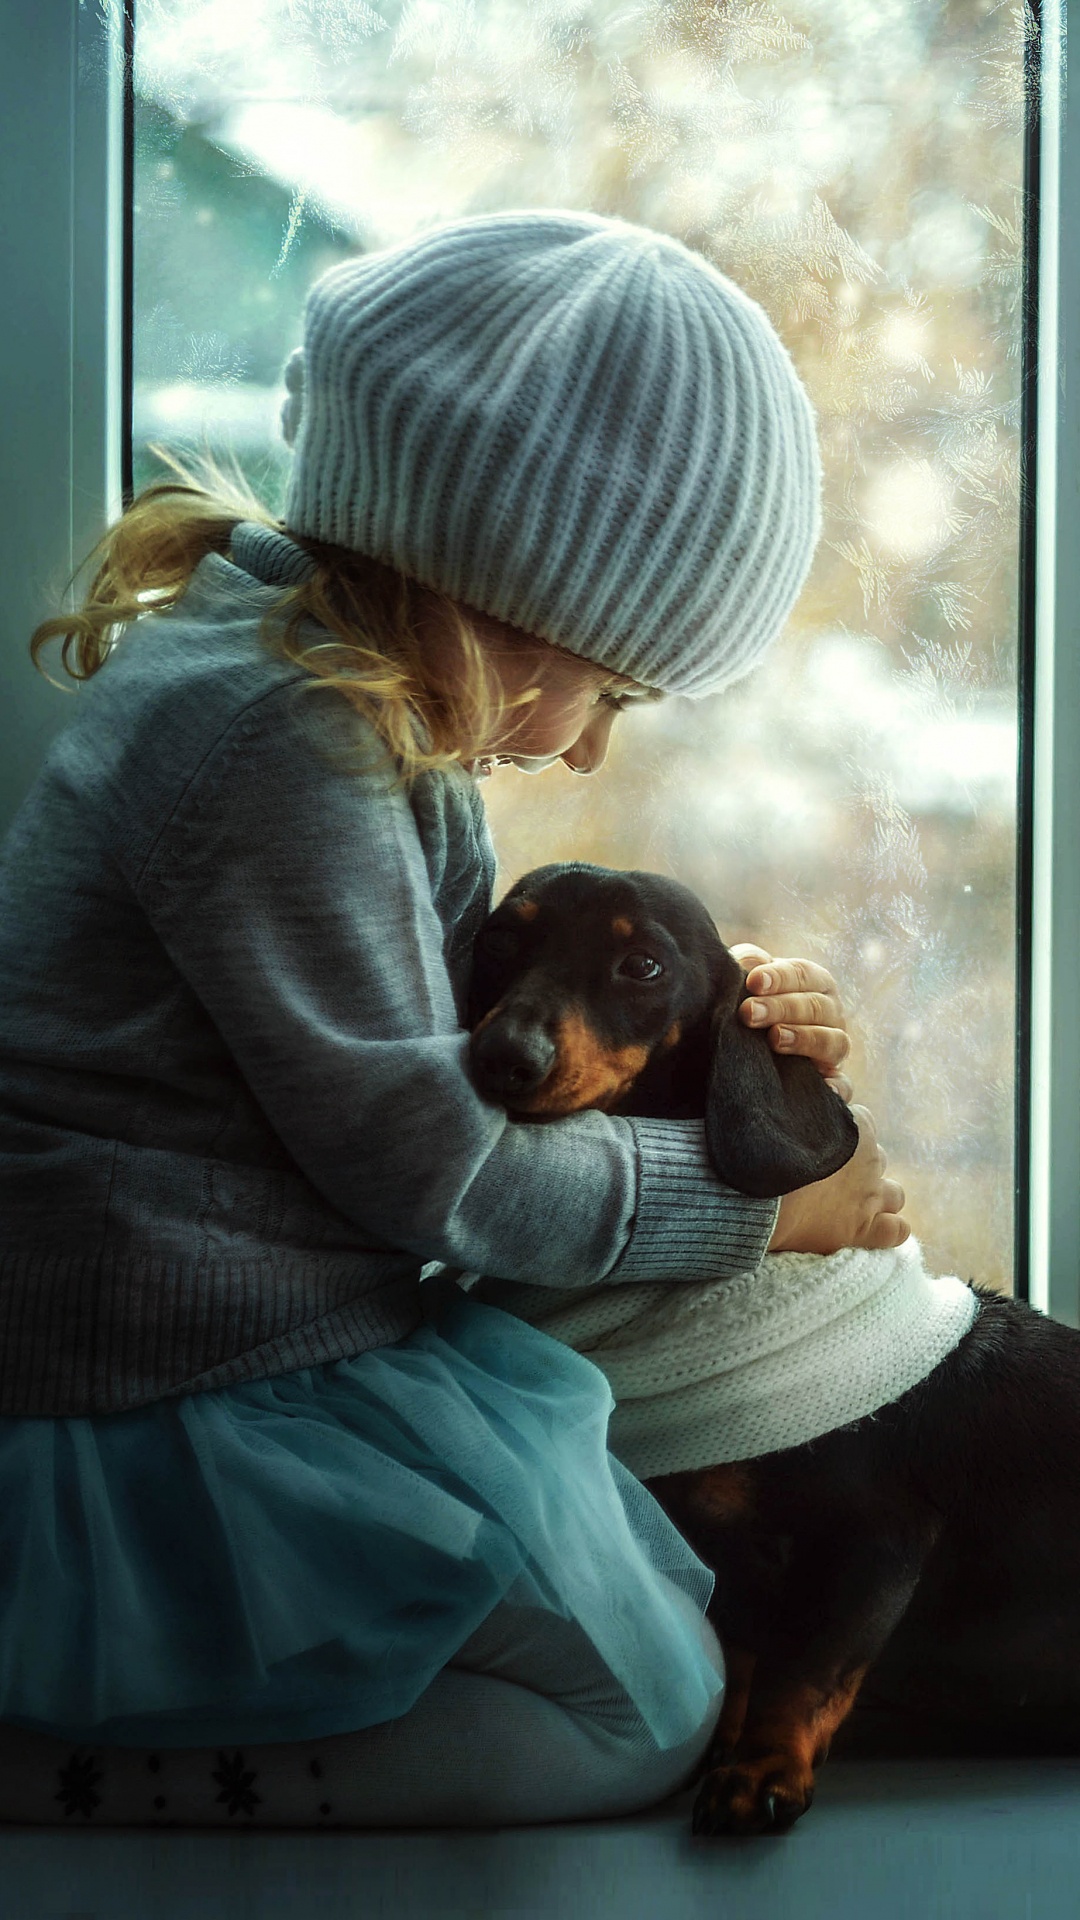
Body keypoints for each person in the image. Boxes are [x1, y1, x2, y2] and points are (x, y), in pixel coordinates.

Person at [0, 210, 907, 1830]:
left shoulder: (305, 703)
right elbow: (448, 1175)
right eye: (613, 694)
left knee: (652, 1654)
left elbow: (458, 1060)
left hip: (227, 1335)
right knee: (641, 1711)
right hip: (170, 1387)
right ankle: (84, 1785)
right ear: (511, 586)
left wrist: (718, 1029)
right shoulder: (283, 746)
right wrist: (763, 1213)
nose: (586, 758)